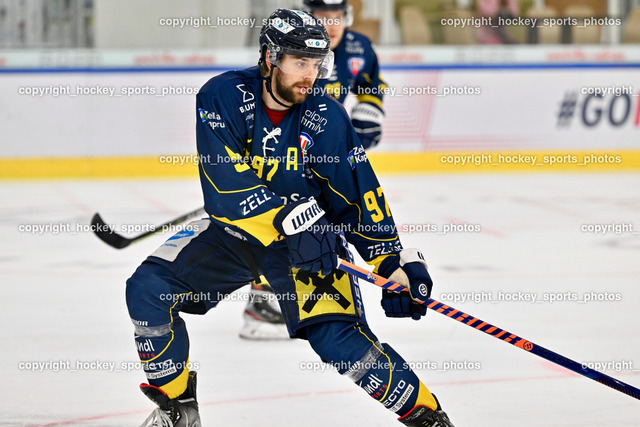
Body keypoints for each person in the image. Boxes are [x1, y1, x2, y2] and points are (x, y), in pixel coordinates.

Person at [126, 9, 454, 426]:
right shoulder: (221, 96)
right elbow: (224, 184)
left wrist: (391, 261)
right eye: (300, 63)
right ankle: (177, 412)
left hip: (307, 247)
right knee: (149, 289)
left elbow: (359, 195)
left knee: (339, 341)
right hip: (233, 235)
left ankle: (428, 417)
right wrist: (288, 219)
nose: (310, 76)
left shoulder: (327, 116)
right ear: (270, 58)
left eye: (317, 65)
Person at [239, 0, 388, 339]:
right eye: (324, 17)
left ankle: (309, 298)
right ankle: (263, 303)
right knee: (277, 223)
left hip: (321, 155)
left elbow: (371, 85)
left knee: (323, 222)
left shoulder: (358, 47)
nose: (332, 25)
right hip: (281, 152)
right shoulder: (290, 51)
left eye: (338, 17)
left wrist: (369, 112)